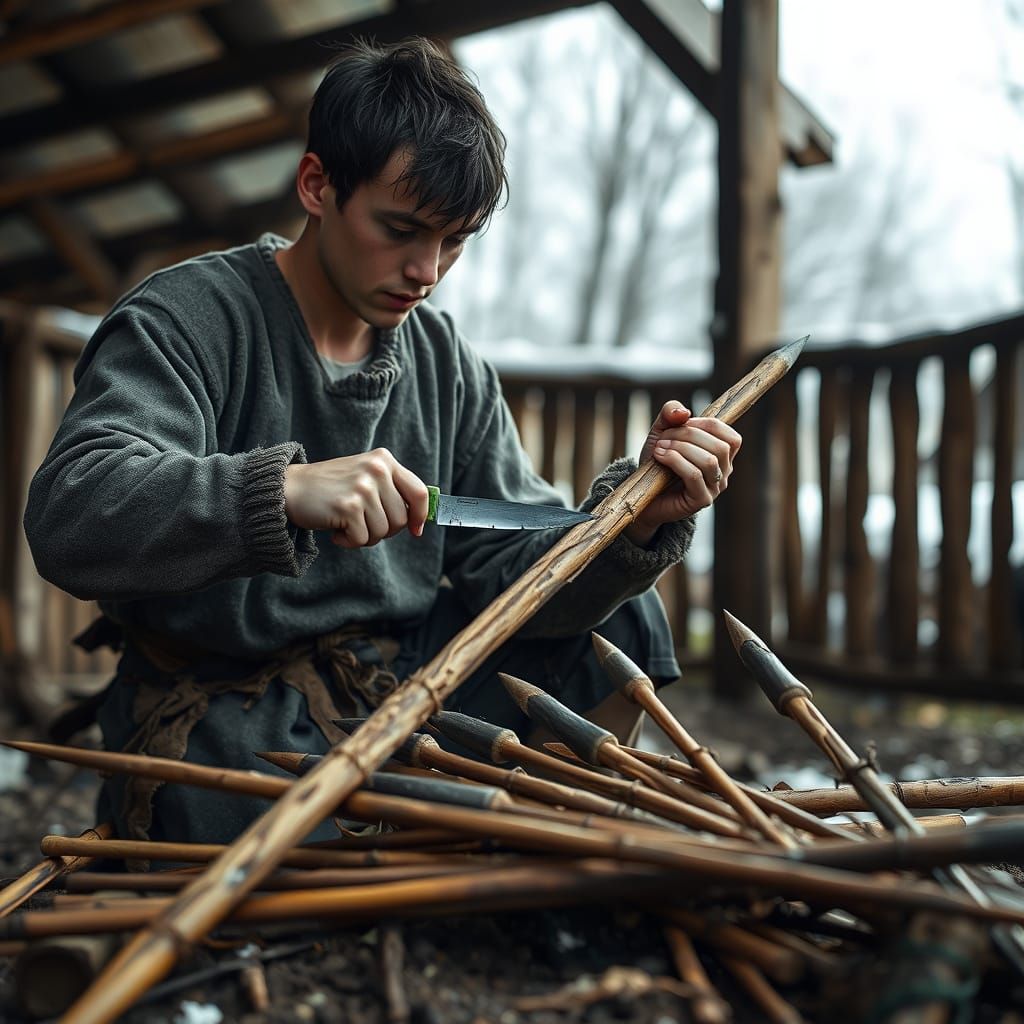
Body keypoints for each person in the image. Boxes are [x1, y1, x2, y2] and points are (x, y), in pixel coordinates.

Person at [24, 37, 741, 847]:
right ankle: (428, 836)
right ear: (317, 184)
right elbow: (71, 513)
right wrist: (281, 492)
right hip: (232, 714)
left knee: (622, 627)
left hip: (405, 693)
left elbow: (508, 571)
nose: (427, 270)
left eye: (456, 240)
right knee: (237, 818)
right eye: (401, 229)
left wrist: (633, 521)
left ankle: (542, 868)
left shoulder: (443, 363)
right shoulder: (187, 320)